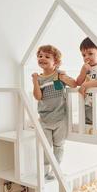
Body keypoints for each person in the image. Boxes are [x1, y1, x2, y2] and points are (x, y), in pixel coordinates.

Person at [32, 45, 77, 179]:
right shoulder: (39, 78)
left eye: (47, 56)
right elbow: (38, 97)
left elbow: (74, 84)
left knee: (59, 145)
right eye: (40, 56)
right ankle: (45, 170)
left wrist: (64, 78)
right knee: (46, 146)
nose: (42, 58)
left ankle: (55, 169)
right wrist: (34, 81)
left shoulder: (59, 74)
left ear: (55, 62)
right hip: (45, 118)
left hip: (60, 118)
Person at [76, 37, 97, 127]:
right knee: (87, 124)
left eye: (90, 53)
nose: (87, 57)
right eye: (84, 55)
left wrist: (85, 85)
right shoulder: (86, 68)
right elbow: (78, 82)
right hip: (84, 102)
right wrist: (83, 71)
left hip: (96, 103)